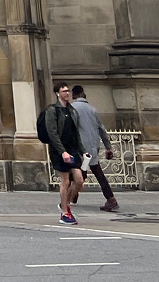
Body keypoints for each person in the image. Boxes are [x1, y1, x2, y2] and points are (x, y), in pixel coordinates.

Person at [70, 86, 119, 212]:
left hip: (81, 147)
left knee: (80, 171)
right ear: (83, 94)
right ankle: (74, 196)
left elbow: (72, 128)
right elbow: (101, 129)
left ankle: (110, 198)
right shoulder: (92, 110)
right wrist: (108, 147)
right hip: (93, 146)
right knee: (89, 170)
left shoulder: (73, 109)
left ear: (73, 95)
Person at [42, 83, 86, 225]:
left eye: (68, 91)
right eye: (64, 91)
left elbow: (76, 133)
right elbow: (52, 133)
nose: (67, 93)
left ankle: (64, 204)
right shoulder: (53, 110)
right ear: (57, 93)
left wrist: (83, 151)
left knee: (79, 180)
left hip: (72, 148)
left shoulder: (72, 110)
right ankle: (65, 213)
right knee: (65, 181)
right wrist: (62, 152)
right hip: (59, 150)